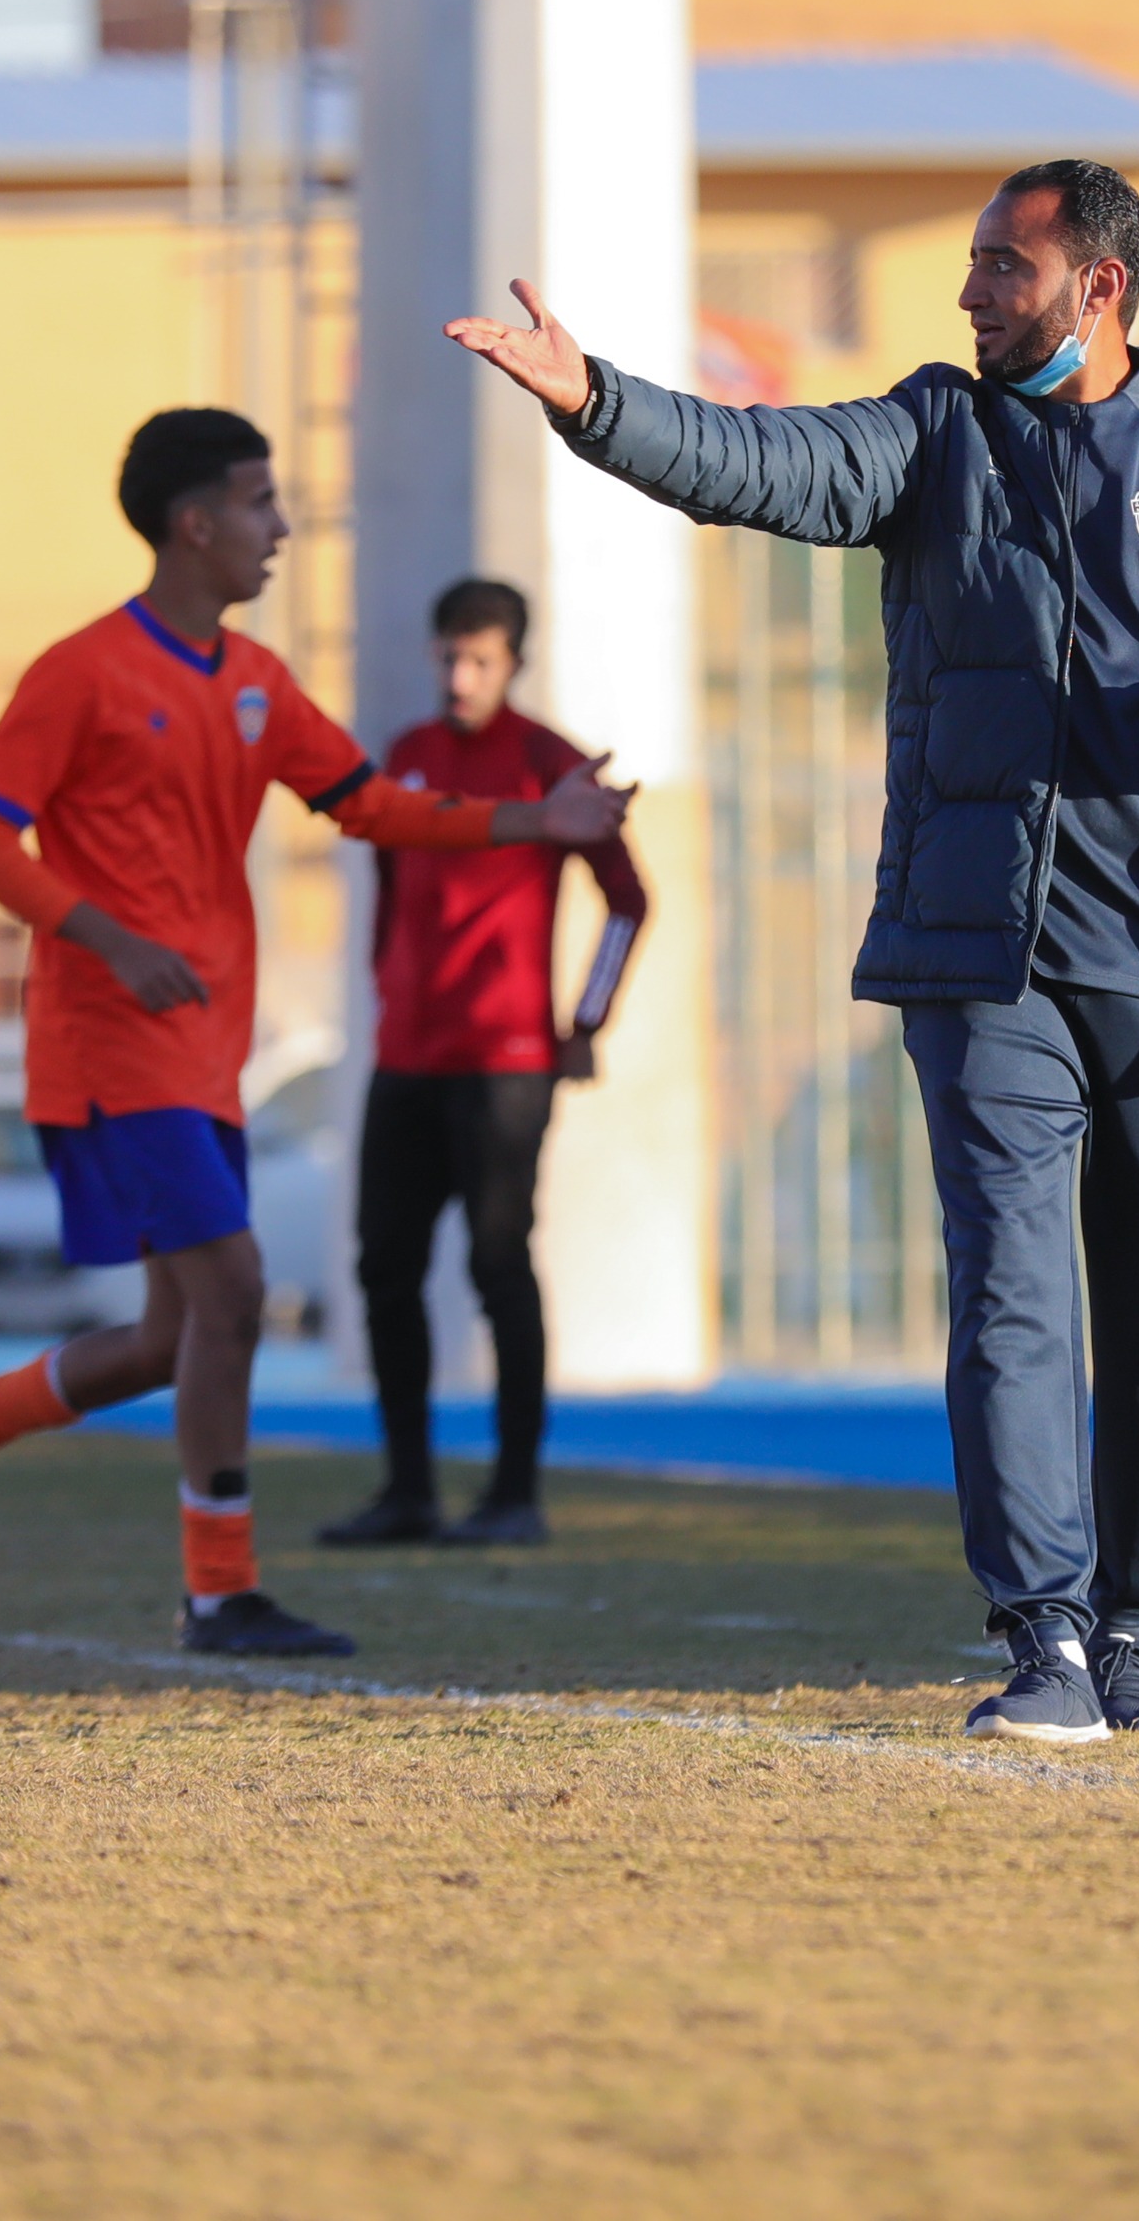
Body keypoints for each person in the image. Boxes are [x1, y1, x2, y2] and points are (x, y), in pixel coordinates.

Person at [447, 158, 1139, 1742]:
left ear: (1097, 290)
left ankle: (1129, 1626)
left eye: (1002, 267)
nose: (970, 292)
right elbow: (757, 463)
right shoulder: (934, 434)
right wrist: (595, 403)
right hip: (984, 963)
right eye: (971, 263)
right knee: (1012, 1291)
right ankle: (1040, 1632)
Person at [0, 408, 631, 1659]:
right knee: (233, 1293)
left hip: (205, 1047)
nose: (282, 528)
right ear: (196, 523)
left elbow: (372, 805)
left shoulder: (260, 684)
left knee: (178, 1334)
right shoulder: (81, 673)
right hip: (110, 1042)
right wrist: (108, 939)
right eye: (263, 503)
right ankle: (219, 1593)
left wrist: (531, 822)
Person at [316, 577, 649, 1551]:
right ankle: (408, 1490)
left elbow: (629, 901)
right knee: (384, 1266)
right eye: (448, 658)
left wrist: (583, 1019)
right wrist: (387, 986)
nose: (460, 678)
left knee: (498, 1265)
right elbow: (385, 874)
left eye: (480, 661)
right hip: (405, 1057)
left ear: (513, 663)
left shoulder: (553, 769)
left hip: (505, 1063)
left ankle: (513, 1495)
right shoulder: (412, 758)